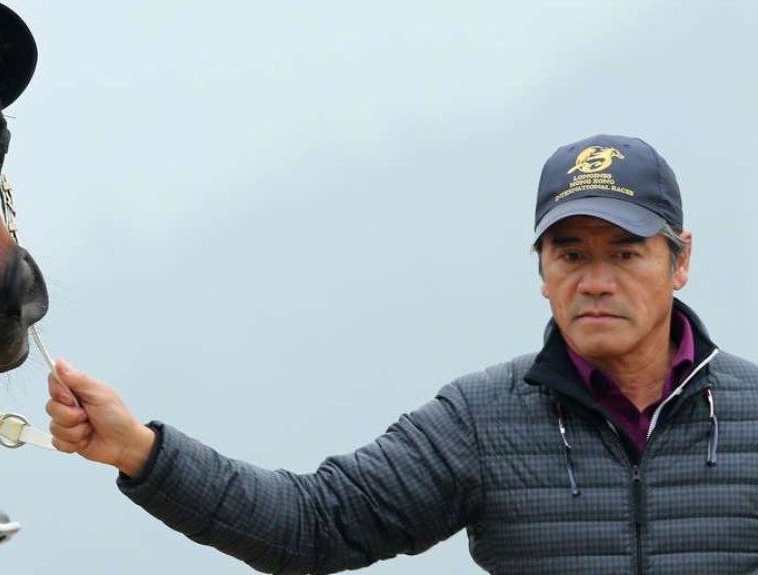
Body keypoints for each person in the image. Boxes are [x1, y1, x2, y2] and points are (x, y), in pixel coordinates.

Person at [47, 134, 758, 573]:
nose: (595, 281)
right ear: (542, 270)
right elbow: (314, 524)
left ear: (680, 261)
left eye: (625, 253)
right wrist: (141, 452)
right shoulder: (482, 420)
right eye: (571, 254)